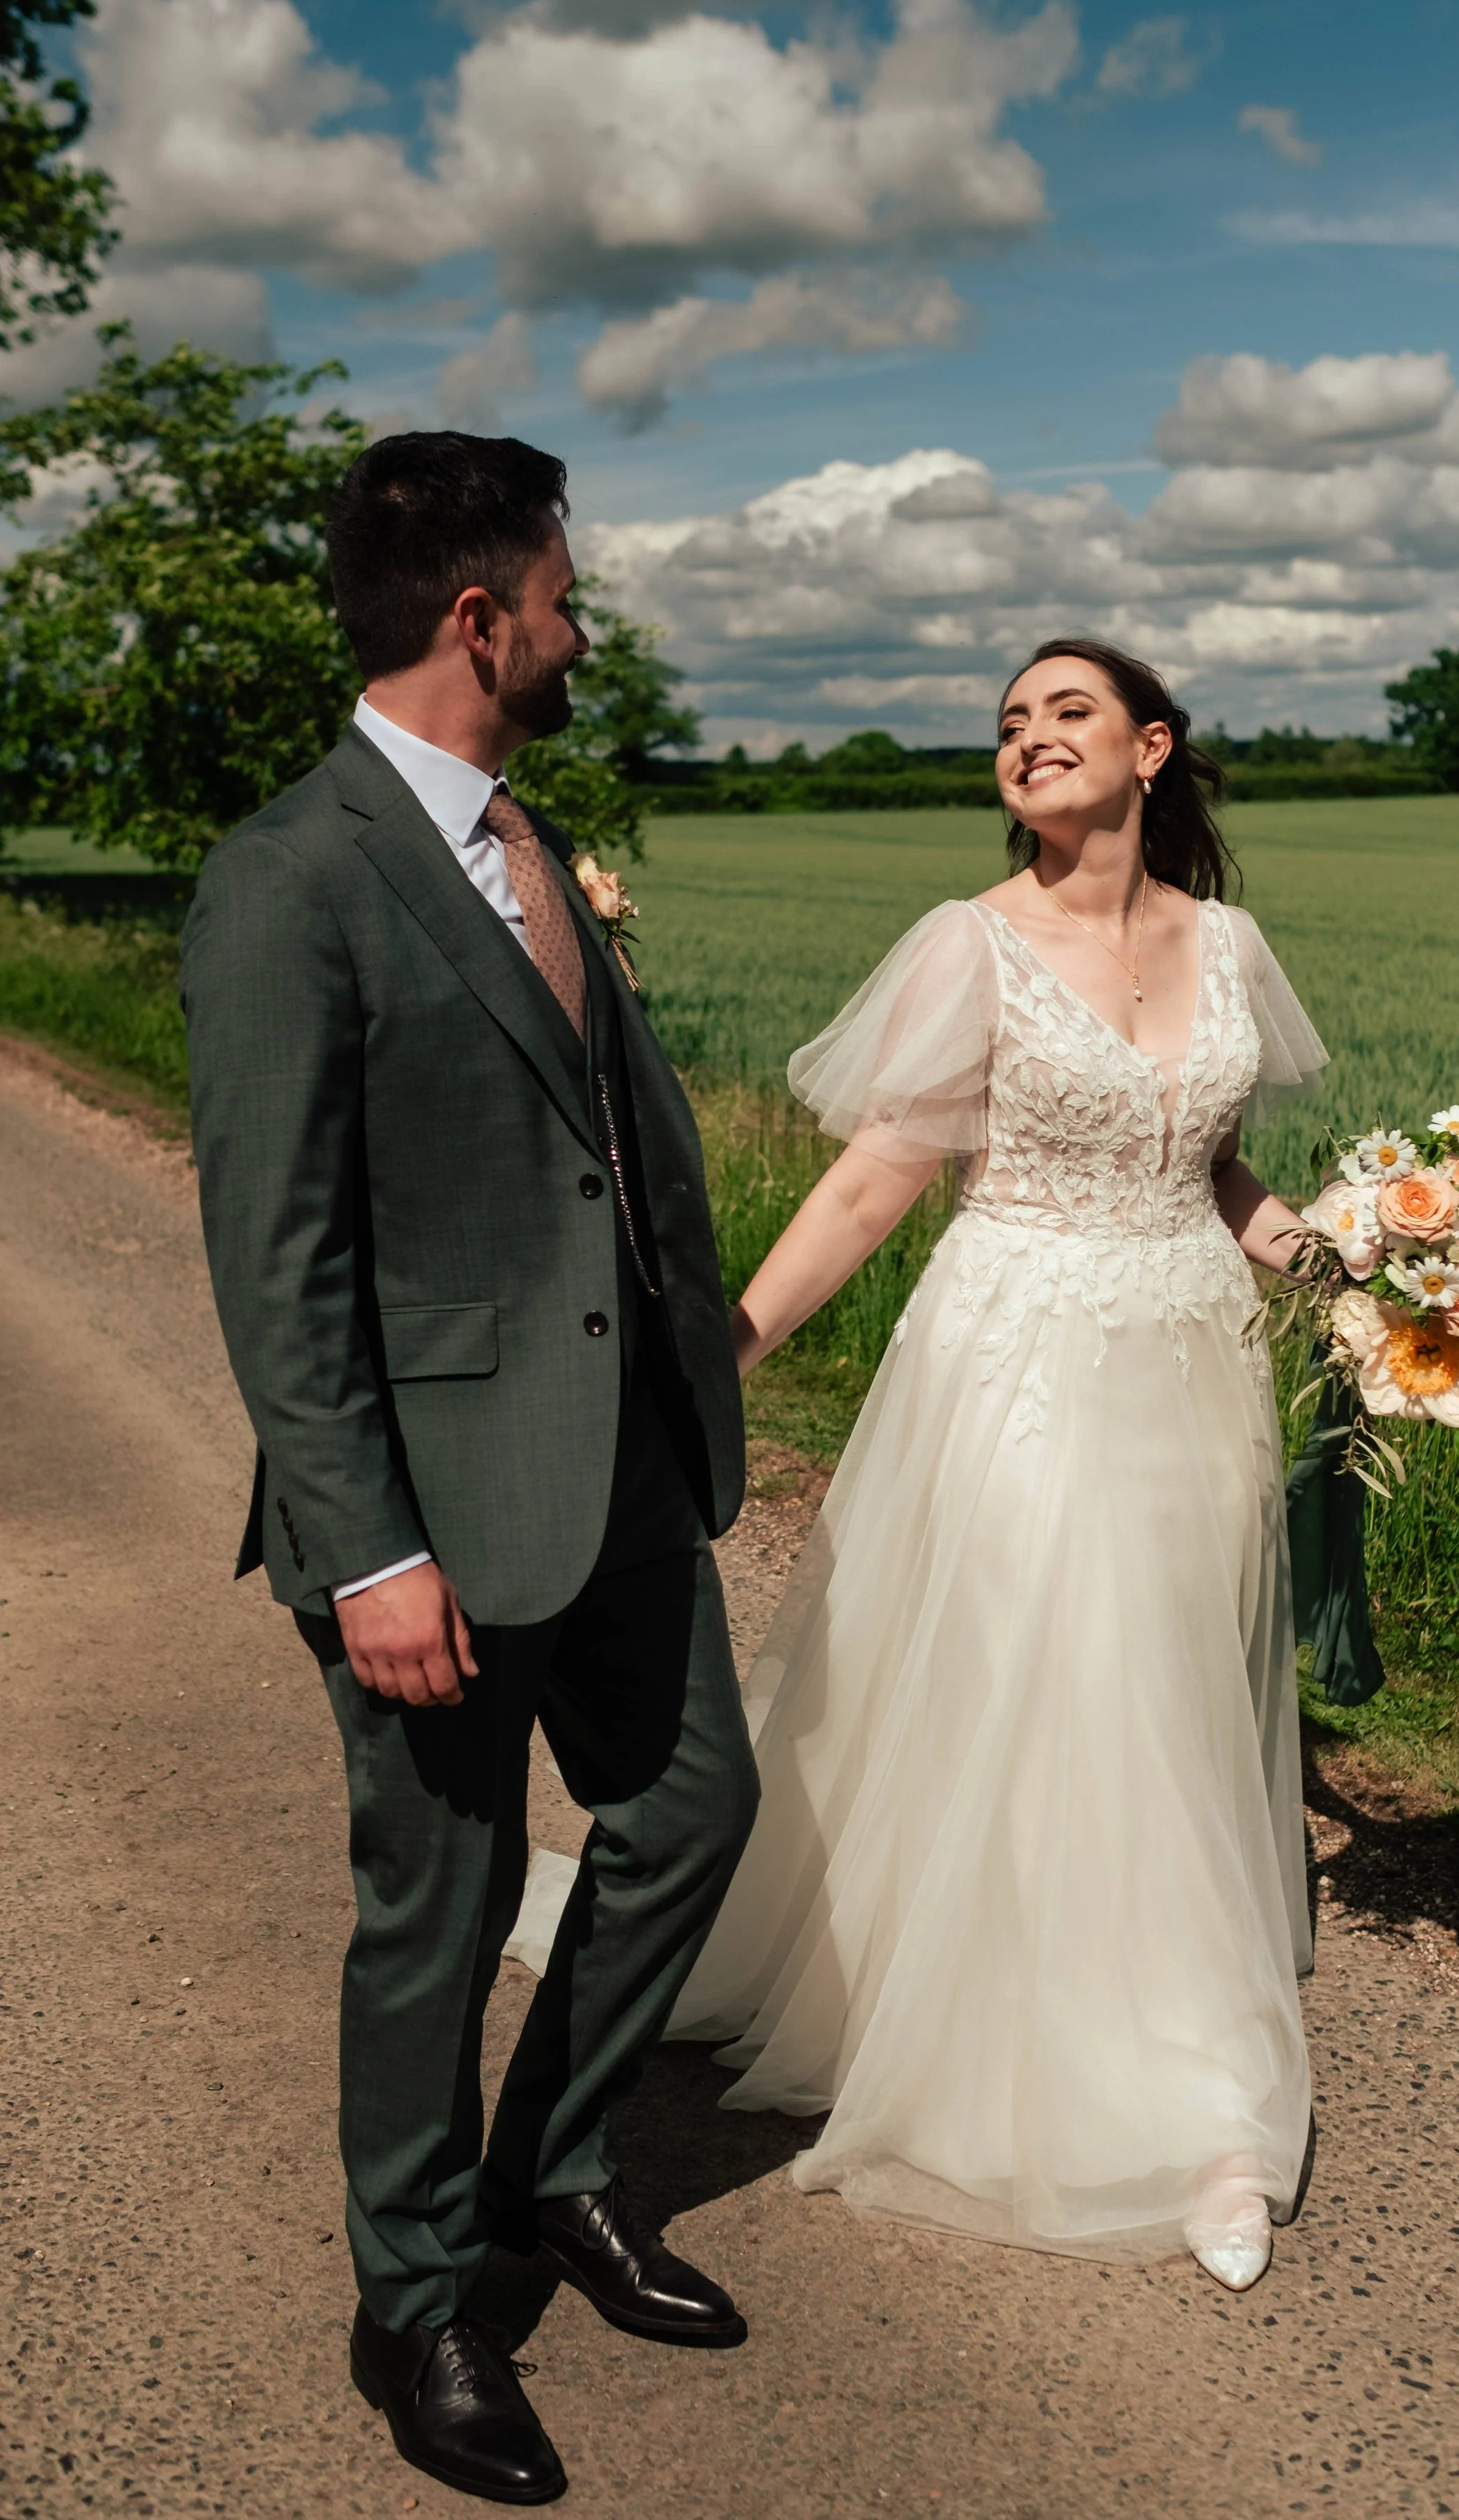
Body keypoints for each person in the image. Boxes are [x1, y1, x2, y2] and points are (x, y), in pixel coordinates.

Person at [181, 432, 758, 2507]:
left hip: (616, 1467)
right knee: (433, 1910)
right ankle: (416, 2298)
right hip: (426, 1511)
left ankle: (554, 2164)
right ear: (476, 616)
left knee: (696, 1808)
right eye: (566, 593)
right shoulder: (290, 876)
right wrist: (367, 1549)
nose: (584, 625)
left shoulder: (528, 839)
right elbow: (281, 1258)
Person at [670, 637, 1328, 2295]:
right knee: (1062, 1681)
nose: (1028, 740)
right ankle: (1179, 2105)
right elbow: (868, 1188)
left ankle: (1149, 2016)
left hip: (1192, 1365)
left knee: (1171, 1693)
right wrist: (722, 1358)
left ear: (1151, 749)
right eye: (1007, 725)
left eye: (1067, 712)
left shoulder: (1228, 944)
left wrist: (1356, 1268)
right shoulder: (970, 946)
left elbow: (1217, 1170)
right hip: (1017, 1356)